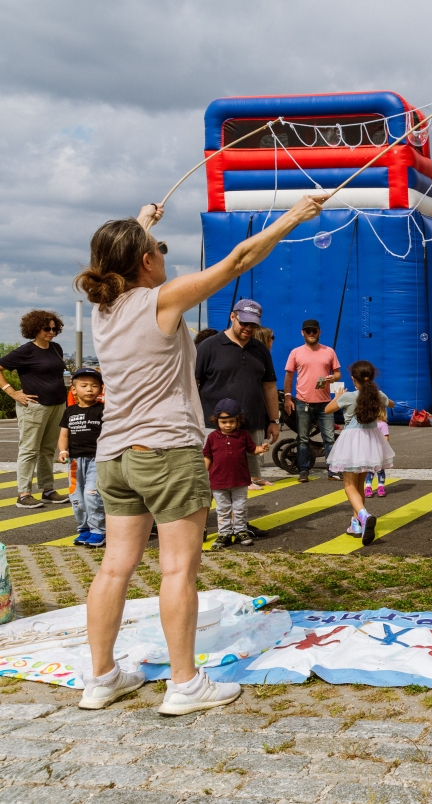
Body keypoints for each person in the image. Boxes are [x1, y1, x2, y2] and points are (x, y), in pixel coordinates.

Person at [75, 194, 324, 714]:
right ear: (145, 262)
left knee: (114, 569)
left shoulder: (104, 308)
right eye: (157, 249)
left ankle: (100, 679)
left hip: (115, 456)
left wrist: (142, 221)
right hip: (166, 452)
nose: (164, 255)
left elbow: (116, 260)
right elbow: (237, 261)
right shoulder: (160, 301)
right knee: (177, 570)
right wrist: (293, 217)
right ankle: (185, 685)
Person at [195, 299, 281, 488]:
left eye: (253, 324)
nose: (248, 328)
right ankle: (211, 518)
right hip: (215, 426)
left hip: (252, 425)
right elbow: (193, 384)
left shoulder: (260, 350)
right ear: (232, 317)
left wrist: (274, 421)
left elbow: (269, 386)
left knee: (245, 480)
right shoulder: (208, 347)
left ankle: (237, 518)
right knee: (212, 478)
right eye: (244, 323)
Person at [0, 310, 71, 509]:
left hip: (57, 404)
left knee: (47, 449)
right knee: (29, 450)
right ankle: (23, 494)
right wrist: (13, 393)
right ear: (34, 329)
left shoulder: (55, 348)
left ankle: (47, 490)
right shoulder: (25, 351)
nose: (51, 332)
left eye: (54, 328)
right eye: (46, 328)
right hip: (34, 407)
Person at [324, 361, 395, 545]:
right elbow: (391, 404)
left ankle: (363, 515)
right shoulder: (378, 395)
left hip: (351, 442)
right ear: (371, 378)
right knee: (360, 484)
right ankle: (356, 524)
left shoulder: (348, 397)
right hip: (370, 442)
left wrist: (338, 396)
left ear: (354, 380)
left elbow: (327, 410)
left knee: (349, 485)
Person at [203, 399, 269, 548]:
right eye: (223, 422)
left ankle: (240, 531)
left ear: (238, 421)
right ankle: (224, 534)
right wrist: (202, 474)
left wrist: (261, 448)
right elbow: (207, 456)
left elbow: (252, 449)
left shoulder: (243, 435)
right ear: (217, 421)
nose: (228, 425)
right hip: (218, 482)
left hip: (240, 480)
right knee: (223, 509)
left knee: (240, 507)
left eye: (231, 421)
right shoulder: (212, 437)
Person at [282, 319, 340, 483]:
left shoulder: (329, 351)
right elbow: (289, 376)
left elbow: (338, 374)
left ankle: (333, 471)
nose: (311, 334)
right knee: (303, 438)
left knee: (329, 438)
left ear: (320, 332)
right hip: (303, 402)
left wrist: (333, 378)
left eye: (314, 331)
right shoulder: (295, 352)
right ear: (303, 333)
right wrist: (287, 397)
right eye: (308, 331)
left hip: (325, 403)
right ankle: (303, 470)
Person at [57, 367, 107, 547]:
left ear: (101, 389)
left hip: (97, 460)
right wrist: (63, 451)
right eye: (84, 385)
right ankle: (84, 528)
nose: (89, 389)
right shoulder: (69, 411)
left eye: (94, 386)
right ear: (73, 390)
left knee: (92, 494)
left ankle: (98, 530)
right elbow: (64, 435)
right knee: (76, 497)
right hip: (74, 462)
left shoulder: (104, 410)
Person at [365, 412, 390, 499]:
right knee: (370, 470)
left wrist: (382, 446)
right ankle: (368, 487)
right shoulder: (369, 424)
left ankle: (381, 486)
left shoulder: (382, 425)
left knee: (380, 469)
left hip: (379, 450)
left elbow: (386, 436)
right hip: (370, 450)